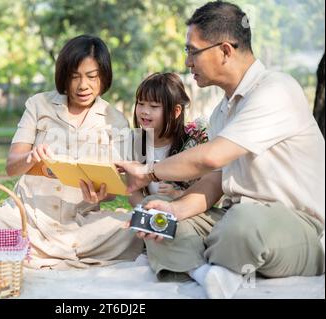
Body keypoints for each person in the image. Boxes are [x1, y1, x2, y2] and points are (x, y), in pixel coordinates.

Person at [115, 1, 325, 299]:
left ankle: (204, 262)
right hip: (231, 217)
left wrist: (147, 172)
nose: (187, 62)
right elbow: (214, 179)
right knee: (159, 216)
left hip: (295, 226)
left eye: (192, 50)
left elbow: (212, 156)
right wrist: (174, 209)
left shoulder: (276, 89)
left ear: (225, 50)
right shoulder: (220, 113)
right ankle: (210, 275)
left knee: (242, 224)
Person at [0, 35, 143, 269]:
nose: (83, 85)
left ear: (104, 76)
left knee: (138, 229)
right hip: (25, 219)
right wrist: (30, 158)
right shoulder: (38, 104)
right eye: (74, 77)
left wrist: (101, 195)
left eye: (92, 76)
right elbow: (11, 167)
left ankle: (25, 251)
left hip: (80, 226)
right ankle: (33, 247)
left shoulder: (115, 120)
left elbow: (113, 190)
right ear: (63, 76)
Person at [80, 72, 208, 207]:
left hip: (186, 212)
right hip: (149, 212)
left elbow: (209, 191)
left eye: (154, 106)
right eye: (141, 103)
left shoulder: (193, 143)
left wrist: (178, 195)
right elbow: (133, 192)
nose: (144, 111)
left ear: (175, 111)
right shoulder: (135, 142)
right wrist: (148, 212)